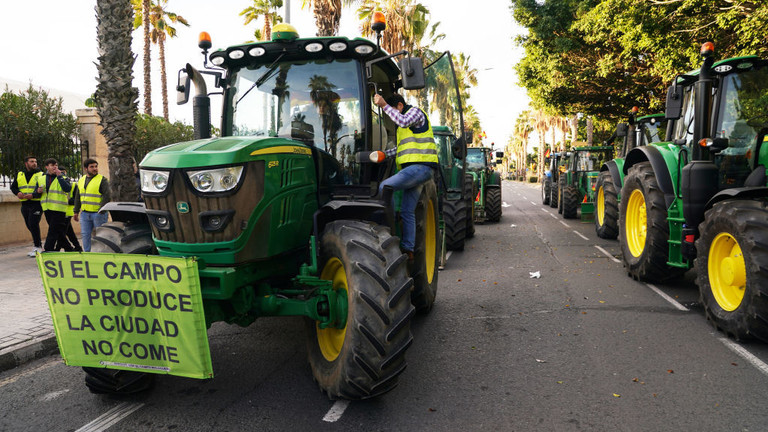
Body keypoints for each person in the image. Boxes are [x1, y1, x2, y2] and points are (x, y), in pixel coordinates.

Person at [373, 92, 438, 260]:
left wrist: (383, 105)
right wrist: (383, 154)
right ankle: (408, 250)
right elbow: (400, 149)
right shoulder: (406, 130)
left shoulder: (415, 113)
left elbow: (402, 121)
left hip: (420, 168)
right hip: (415, 171)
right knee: (408, 211)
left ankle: (388, 230)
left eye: (394, 110)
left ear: (400, 106)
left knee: (385, 187)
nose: (393, 116)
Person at [33, 158, 72, 252]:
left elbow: (67, 189)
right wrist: (38, 191)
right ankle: (69, 249)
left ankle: (48, 249)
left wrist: (59, 177)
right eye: (52, 165)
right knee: (57, 231)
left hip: (59, 209)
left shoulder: (63, 177)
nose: (55, 167)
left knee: (53, 230)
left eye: (56, 165)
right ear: (47, 167)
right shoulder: (41, 178)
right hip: (47, 208)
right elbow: (35, 194)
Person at [10, 156, 45, 257]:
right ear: (26, 163)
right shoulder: (20, 174)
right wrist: (18, 193)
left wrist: (33, 195)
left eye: (35, 161)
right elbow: (13, 187)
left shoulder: (41, 174)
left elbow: (43, 188)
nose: (34, 163)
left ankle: (37, 247)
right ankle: (38, 245)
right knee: (29, 224)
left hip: (37, 203)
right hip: (25, 203)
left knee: (33, 223)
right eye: (32, 161)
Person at [73, 158, 110, 252]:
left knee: (100, 235)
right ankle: (87, 254)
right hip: (85, 214)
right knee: (85, 235)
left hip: (98, 213)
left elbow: (107, 195)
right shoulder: (81, 180)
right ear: (86, 168)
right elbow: (78, 196)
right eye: (92, 167)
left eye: (96, 166)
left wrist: (101, 210)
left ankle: (101, 253)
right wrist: (76, 211)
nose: (95, 168)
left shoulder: (102, 180)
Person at [57, 167, 82, 252]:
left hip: (68, 211)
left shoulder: (73, 184)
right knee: (69, 232)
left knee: (62, 232)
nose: (63, 175)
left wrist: (67, 201)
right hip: (59, 210)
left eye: (63, 173)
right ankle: (77, 247)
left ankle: (59, 248)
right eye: (61, 173)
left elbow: (77, 199)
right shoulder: (57, 183)